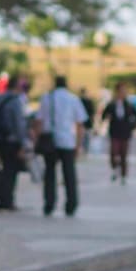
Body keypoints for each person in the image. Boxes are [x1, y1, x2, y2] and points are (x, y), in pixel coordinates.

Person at [35, 73, 88, 216]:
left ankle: (49, 203)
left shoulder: (47, 98)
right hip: (67, 141)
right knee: (69, 174)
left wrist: (35, 140)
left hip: (50, 140)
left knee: (50, 173)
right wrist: (78, 145)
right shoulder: (73, 99)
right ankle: (71, 204)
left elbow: (39, 121)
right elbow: (80, 124)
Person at [0, 75, 30, 212]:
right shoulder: (15, 101)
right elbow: (18, 124)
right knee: (10, 171)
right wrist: (24, 143)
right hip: (12, 141)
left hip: (0, 139)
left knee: (4, 169)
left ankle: (2, 198)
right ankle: (7, 200)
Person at [100, 82, 136, 183]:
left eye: (124, 91)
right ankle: (114, 169)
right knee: (114, 152)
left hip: (125, 133)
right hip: (114, 132)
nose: (123, 93)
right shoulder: (111, 104)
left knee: (124, 155)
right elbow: (104, 116)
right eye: (121, 91)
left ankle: (123, 175)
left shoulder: (129, 105)